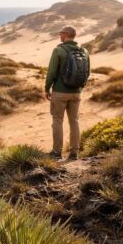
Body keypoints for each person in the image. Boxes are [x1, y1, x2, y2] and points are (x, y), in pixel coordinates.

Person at [44, 25, 89, 160]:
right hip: (77, 92)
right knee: (74, 121)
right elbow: (87, 72)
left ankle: (57, 152)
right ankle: (74, 153)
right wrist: (79, 88)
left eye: (61, 33)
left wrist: (47, 88)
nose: (59, 36)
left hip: (60, 92)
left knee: (57, 120)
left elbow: (51, 71)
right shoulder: (84, 51)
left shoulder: (58, 50)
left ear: (65, 34)